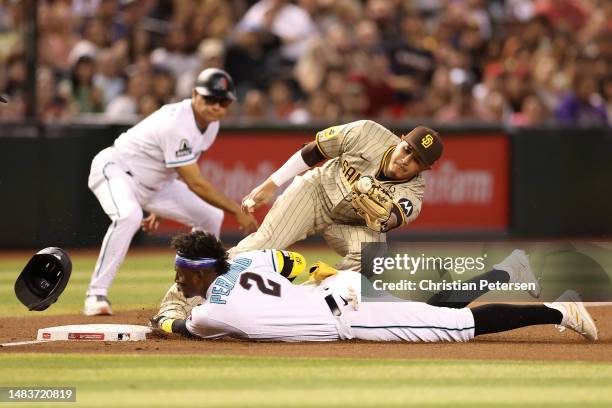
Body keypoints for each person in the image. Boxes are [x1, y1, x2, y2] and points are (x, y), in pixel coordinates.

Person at [153, 120, 442, 318]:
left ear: (425, 169)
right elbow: (314, 150)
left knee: (374, 255)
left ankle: (305, 305)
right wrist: (271, 184)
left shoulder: (414, 191)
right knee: (262, 244)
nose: (406, 160)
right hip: (314, 193)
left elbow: (393, 218)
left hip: (349, 224)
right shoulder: (367, 132)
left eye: (416, 159)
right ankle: (177, 303)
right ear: (401, 140)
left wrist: (382, 218)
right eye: (407, 149)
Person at [150, 231, 598, 343]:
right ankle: (508, 270)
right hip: (341, 288)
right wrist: (318, 272)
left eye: (181, 271)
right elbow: (291, 260)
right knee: (432, 312)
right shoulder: (244, 259)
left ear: (200, 270)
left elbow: (187, 328)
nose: (176, 278)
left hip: (348, 316)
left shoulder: (212, 313)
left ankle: (558, 312)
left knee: (455, 326)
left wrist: (164, 321)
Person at [84, 68, 259, 316]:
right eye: (210, 99)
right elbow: (196, 182)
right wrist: (236, 211)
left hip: (156, 184)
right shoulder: (176, 122)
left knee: (210, 216)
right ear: (194, 94)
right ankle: (96, 294)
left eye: (223, 101)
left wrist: (159, 208)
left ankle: (192, 291)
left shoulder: (210, 125)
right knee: (129, 216)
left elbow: (178, 166)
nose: (216, 106)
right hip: (116, 170)